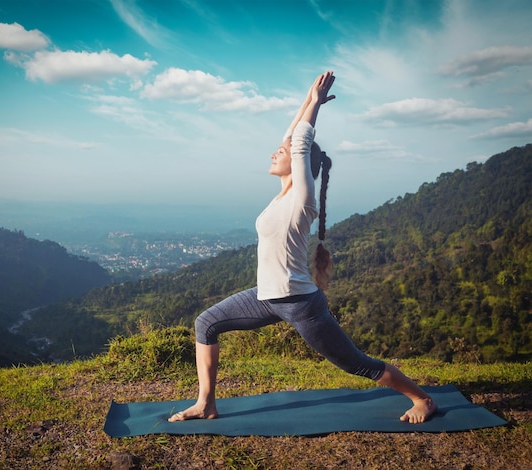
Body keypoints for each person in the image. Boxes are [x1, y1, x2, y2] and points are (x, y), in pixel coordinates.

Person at [169, 72, 438, 425]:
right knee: (206, 323)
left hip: (300, 304)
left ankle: (422, 399)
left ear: (300, 166)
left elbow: (298, 143)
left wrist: (314, 106)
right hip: (266, 297)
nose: (274, 151)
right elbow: (290, 137)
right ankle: (206, 403)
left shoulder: (302, 198)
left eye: (281, 152)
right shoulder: (283, 196)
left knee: (356, 363)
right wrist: (307, 99)